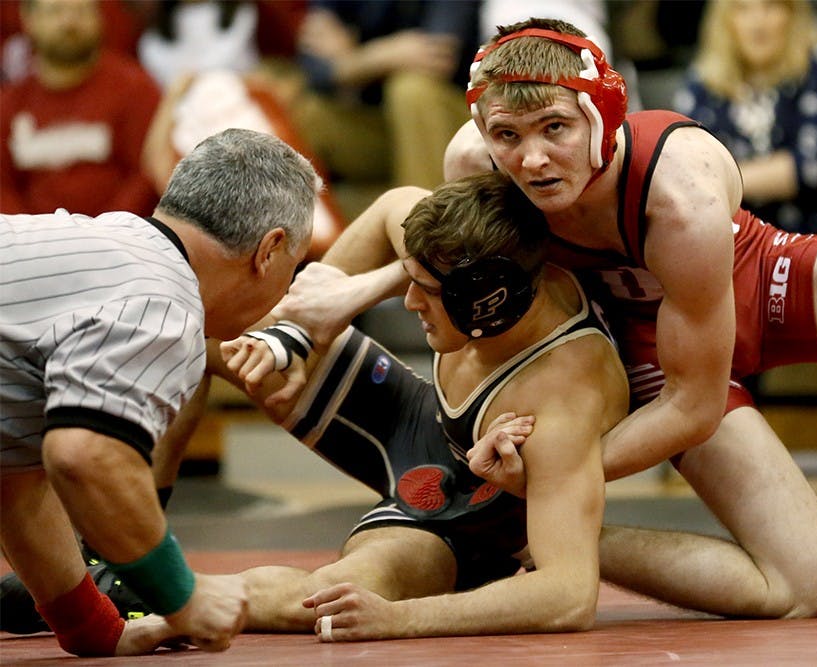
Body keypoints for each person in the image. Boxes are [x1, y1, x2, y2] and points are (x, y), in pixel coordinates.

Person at [434, 17, 817, 619]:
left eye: (555, 128)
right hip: (642, 354)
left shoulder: (681, 193)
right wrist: (364, 285)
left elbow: (695, 408)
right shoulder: (474, 166)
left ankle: (535, 523)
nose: (533, 160)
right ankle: (515, 538)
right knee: (811, 582)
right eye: (508, 135)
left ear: (604, 117)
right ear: (485, 131)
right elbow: (434, 266)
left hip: (750, 276)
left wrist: (556, 478)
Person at [209, 171, 629, 639]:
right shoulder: (466, 248)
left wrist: (401, 618)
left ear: (487, 303)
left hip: (474, 514)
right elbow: (394, 204)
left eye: (427, 290)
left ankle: (164, 595)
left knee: (328, 599)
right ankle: (149, 531)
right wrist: (296, 333)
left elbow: (569, 595)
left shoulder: (564, 396)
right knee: (211, 331)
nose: (408, 302)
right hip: (417, 419)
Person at [0, 128, 319, 656]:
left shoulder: (98, 246)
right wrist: (182, 596)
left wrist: (97, 630)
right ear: (270, 250)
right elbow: (85, 456)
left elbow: (18, 483)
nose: (285, 287)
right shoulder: (163, 303)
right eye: (295, 266)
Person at [672, 0, 817, 235]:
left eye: (770, 7)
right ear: (724, 22)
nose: (758, 24)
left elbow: (816, 165)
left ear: (793, 14)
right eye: (742, 9)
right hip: (736, 241)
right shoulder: (702, 85)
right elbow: (688, 174)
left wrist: (723, 181)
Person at [260, 0, 481, 190]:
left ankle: (427, 217)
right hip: (379, 126)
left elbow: (438, 57)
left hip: (457, 124)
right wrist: (379, 57)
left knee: (412, 91)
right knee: (307, 112)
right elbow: (313, 70)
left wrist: (351, 60)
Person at [0, 0, 161, 216]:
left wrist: (105, 229)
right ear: (28, 19)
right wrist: (29, 229)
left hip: (121, 231)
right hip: (33, 233)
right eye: (56, 11)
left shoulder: (136, 89)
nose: (69, 22)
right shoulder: (11, 104)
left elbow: (148, 171)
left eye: (81, 11)